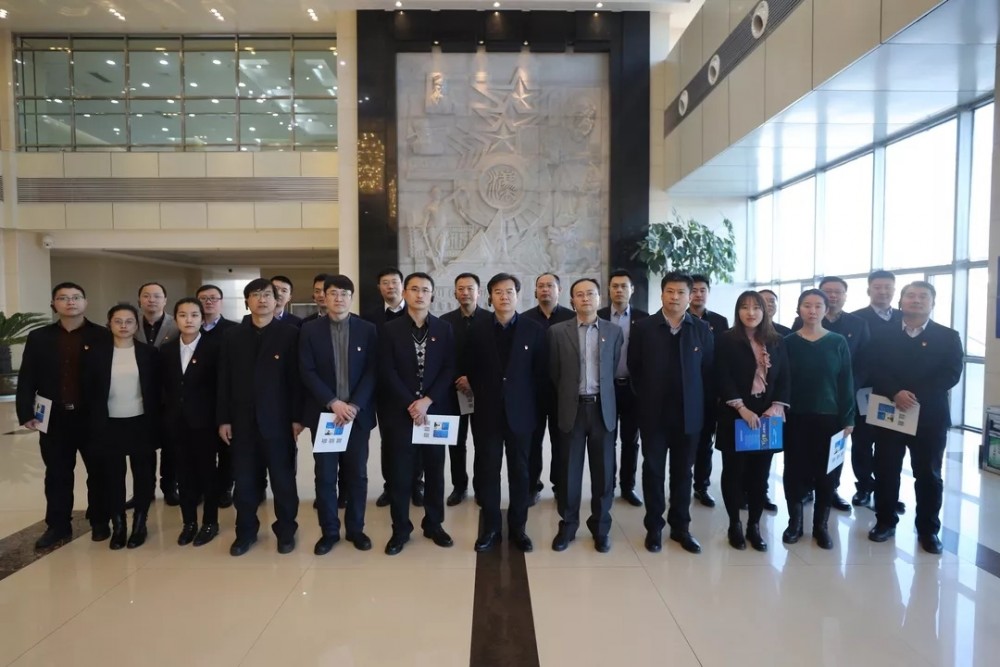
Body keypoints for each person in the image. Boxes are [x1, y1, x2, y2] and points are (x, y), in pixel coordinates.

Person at [867, 281, 963, 554]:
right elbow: (873, 367)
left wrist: (913, 395)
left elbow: (951, 374)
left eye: (923, 296)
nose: (916, 300)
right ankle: (885, 521)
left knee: (929, 475)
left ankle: (928, 530)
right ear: (901, 301)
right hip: (889, 412)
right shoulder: (882, 334)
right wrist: (895, 392)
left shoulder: (948, 336)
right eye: (911, 295)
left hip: (929, 417)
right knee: (885, 470)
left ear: (932, 303)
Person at [16, 282, 111, 549]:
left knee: (99, 472)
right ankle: (58, 525)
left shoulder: (102, 336)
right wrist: (25, 412)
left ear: (85, 302)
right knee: (57, 474)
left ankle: (100, 520)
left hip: (92, 417)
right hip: (55, 418)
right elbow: (27, 378)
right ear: (54, 304)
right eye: (63, 298)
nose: (70, 302)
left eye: (76, 297)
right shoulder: (39, 337)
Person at [628, 272, 714, 554]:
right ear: (662, 294)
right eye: (670, 291)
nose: (675, 297)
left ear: (690, 296)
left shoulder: (701, 329)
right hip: (654, 415)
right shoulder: (643, 328)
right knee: (653, 471)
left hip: (689, 416)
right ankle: (654, 527)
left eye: (681, 292)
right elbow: (635, 368)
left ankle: (681, 527)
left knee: (683, 473)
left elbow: (707, 372)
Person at [218, 279, 303, 556]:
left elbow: (296, 380)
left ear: (277, 300)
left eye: (267, 295)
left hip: (279, 422)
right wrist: (224, 419)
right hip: (242, 423)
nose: (262, 300)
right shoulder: (232, 336)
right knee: (244, 483)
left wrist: (297, 418)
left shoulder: (290, 334)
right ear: (247, 302)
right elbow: (224, 380)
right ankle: (245, 532)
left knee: (283, 481)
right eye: (255, 295)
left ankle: (286, 530)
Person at [378, 272, 457, 555]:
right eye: (414, 289)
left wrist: (427, 401)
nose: (420, 294)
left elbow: (449, 368)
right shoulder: (389, 329)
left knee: (435, 471)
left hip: (435, 412)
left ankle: (434, 524)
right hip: (401, 413)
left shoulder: (445, 329)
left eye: (425, 289)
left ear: (432, 295)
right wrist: (411, 403)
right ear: (405, 293)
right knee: (401, 475)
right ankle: (400, 529)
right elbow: (386, 370)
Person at [465, 273, 546, 553]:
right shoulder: (477, 330)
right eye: (498, 292)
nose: (504, 296)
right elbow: (471, 368)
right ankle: (490, 528)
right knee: (488, 470)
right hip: (487, 413)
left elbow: (540, 373)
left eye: (510, 291)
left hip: (521, 414)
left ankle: (518, 528)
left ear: (518, 295)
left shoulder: (534, 330)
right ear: (490, 297)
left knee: (520, 472)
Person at [300, 275, 378, 554]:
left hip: (357, 416)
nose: (339, 298)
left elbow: (372, 371)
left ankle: (356, 529)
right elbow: (306, 370)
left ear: (351, 297)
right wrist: (333, 402)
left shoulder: (367, 329)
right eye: (333, 293)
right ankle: (330, 532)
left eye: (345, 293)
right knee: (325, 477)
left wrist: (354, 405)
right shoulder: (309, 330)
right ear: (324, 296)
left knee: (357, 475)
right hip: (326, 416)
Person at [549, 279, 623, 553]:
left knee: (603, 474)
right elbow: (554, 373)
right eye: (579, 295)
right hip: (572, 409)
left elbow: (612, 368)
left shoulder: (614, 332)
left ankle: (601, 528)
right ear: (572, 301)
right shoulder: (557, 332)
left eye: (590, 293)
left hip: (603, 409)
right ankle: (568, 526)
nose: (585, 298)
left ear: (599, 297)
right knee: (569, 472)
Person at [714, 291, 790, 552]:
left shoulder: (777, 340)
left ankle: (754, 526)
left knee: (760, 475)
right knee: (733, 472)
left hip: (768, 416)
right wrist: (741, 408)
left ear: (764, 311)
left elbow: (785, 377)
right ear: (738, 311)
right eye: (745, 307)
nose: (751, 312)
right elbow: (721, 376)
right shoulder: (726, 339)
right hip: (735, 413)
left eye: (756, 307)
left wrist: (776, 406)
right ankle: (734, 524)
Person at [782, 289, 855, 550]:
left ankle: (821, 526)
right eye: (807, 305)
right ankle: (795, 523)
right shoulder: (788, 342)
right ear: (798, 309)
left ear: (826, 309)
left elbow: (846, 381)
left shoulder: (837, 342)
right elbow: (781, 381)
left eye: (818, 306)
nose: (812, 311)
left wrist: (849, 417)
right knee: (794, 471)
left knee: (828, 474)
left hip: (830, 418)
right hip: (795, 417)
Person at [792, 277, 870, 512]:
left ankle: (830, 491)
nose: (833, 295)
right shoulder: (797, 328)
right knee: (801, 455)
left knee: (832, 455)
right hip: (803, 404)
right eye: (828, 291)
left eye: (837, 292)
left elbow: (864, 361)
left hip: (838, 400)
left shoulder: (857, 324)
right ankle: (805, 490)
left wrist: (848, 390)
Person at [88, 304, 161, 549]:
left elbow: (157, 390)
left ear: (136, 325)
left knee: (143, 475)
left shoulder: (149, 353)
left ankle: (140, 523)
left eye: (129, 321)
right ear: (109, 324)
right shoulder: (96, 354)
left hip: (141, 422)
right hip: (108, 423)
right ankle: (118, 525)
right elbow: (88, 390)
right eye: (117, 321)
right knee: (112, 477)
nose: (123, 326)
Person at [161, 298, 222, 547]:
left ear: (202, 319)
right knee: (183, 474)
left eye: (194, 315)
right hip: (176, 423)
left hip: (205, 423)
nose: (189, 320)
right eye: (183, 315)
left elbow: (221, 388)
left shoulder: (215, 348)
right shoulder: (166, 350)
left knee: (207, 473)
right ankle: (189, 522)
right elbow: (163, 388)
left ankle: (210, 522)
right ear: (175, 318)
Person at [363, 267, 421, 508]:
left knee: (418, 439)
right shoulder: (369, 318)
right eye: (385, 283)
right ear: (379, 288)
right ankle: (391, 486)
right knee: (389, 441)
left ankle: (416, 484)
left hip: (416, 390)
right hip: (385, 390)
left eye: (394, 282)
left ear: (402, 287)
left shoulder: (417, 313)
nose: (390, 286)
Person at [850, 270, 904, 509]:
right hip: (865, 391)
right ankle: (864, 486)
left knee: (890, 445)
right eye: (878, 287)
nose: (883, 292)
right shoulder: (856, 318)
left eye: (888, 287)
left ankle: (887, 491)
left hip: (895, 393)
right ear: (868, 290)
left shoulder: (904, 317)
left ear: (894, 290)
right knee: (862, 441)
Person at [522, 273, 575, 504]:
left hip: (562, 393)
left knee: (562, 443)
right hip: (532, 393)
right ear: (535, 291)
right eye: (541, 286)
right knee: (532, 443)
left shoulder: (571, 318)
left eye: (550, 286)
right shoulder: (524, 320)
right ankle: (531, 486)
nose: (545, 289)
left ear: (559, 290)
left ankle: (560, 486)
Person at [597, 269, 648, 507]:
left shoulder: (644, 319)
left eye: (624, 286)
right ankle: (608, 487)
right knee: (607, 441)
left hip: (633, 389)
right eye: (615, 286)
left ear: (632, 290)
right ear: (609, 290)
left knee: (631, 441)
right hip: (606, 389)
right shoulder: (598, 316)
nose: (619, 290)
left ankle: (628, 487)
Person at [440, 272, 491, 506]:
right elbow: (441, 358)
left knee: (483, 442)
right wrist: (457, 379)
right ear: (455, 293)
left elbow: (493, 360)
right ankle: (459, 486)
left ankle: (481, 488)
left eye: (470, 288)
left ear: (479, 292)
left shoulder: (490, 320)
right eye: (460, 288)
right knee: (456, 442)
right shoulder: (445, 322)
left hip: (482, 392)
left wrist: (473, 380)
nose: (465, 292)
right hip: (453, 391)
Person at [135, 282, 180, 507]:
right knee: (142, 447)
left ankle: (169, 487)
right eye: (146, 296)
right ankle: (144, 491)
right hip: (139, 396)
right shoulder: (131, 324)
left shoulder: (177, 324)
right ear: (139, 300)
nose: (151, 300)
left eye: (157, 296)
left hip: (170, 396)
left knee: (171, 446)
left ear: (165, 300)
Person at [688, 274, 729, 509]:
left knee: (706, 442)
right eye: (693, 290)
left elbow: (724, 358)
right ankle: (681, 482)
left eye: (702, 290)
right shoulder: (679, 319)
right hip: (684, 391)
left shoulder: (720, 322)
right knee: (685, 441)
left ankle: (701, 486)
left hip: (710, 392)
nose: (698, 294)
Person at [196, 284, 238, 508]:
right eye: (203, 298)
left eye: (213, 298)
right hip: (198, 400)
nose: (209, 302)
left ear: (221, 302)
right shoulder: (190, 329)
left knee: (227, 449)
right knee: (202, 449)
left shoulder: (233, 330)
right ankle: (205, 488)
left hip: (226, 398)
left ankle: (225, 488)